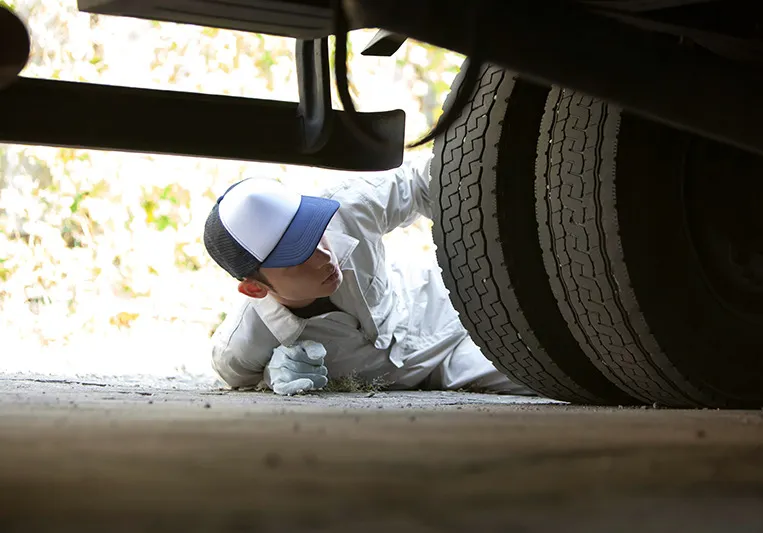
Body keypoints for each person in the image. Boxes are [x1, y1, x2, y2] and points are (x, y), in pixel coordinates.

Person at [202, 153, 535, 396]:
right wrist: (271, 376)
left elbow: (427, 177)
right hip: (450, 368)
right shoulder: (241, 348)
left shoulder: (347, 207)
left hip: (451, 301)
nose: (323, 256)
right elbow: (237, 377)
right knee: (551, 375)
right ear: (255, 289)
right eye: (298, 256)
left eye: (313, 232)